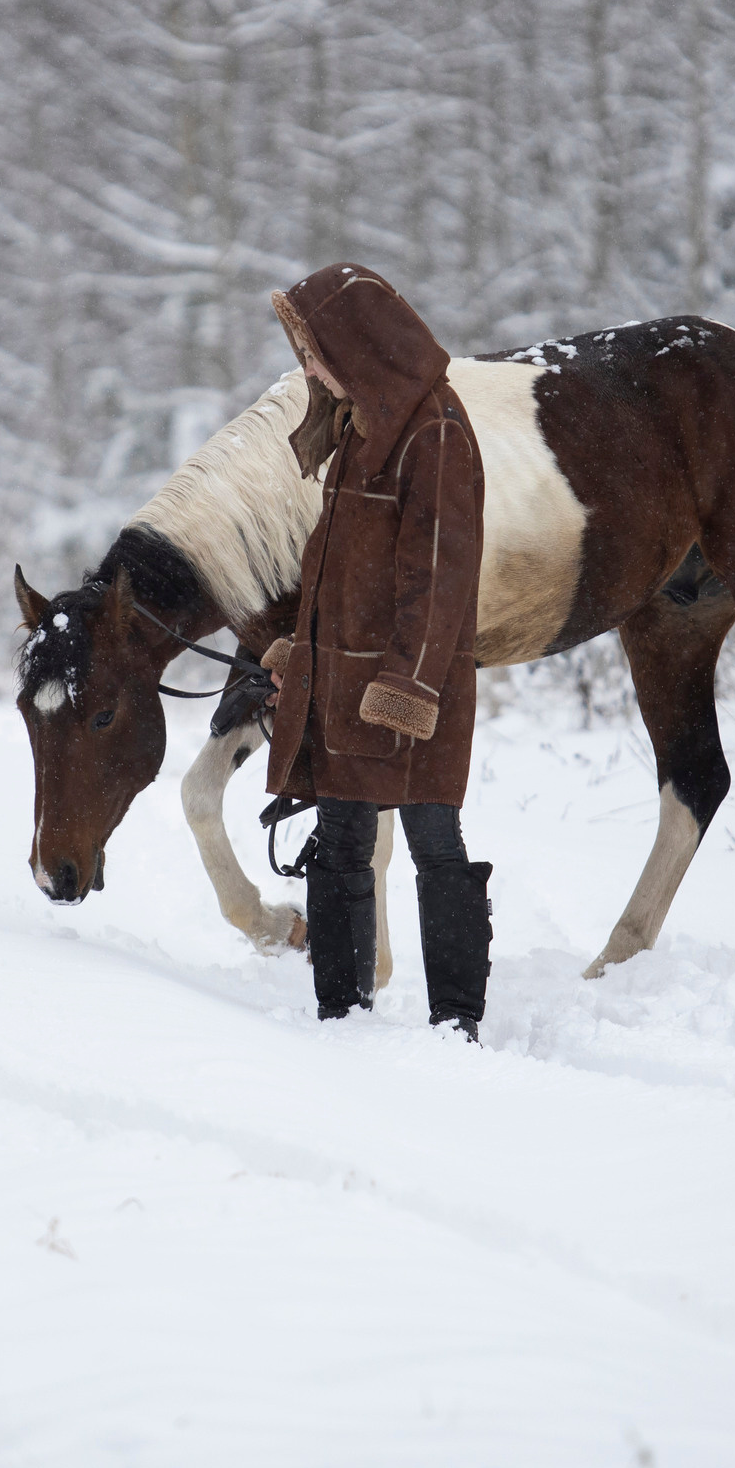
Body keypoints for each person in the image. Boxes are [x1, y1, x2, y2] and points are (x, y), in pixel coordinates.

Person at [258, 263, 493, 1037]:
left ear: (359, 344)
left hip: (408, 688)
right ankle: (341, 1012)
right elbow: (337, 561)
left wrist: (408, 686)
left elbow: (440, 578)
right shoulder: (362, 425)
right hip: (346, 681)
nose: (308, 369)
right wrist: (307, 649)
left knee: (433, 839)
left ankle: (456, 1021)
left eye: (316, 351)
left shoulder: (437, 433)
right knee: (342, 838)